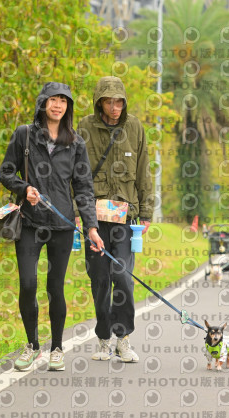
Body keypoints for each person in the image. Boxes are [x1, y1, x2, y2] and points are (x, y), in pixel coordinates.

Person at [0, 82, 104, 371]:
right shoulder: (24, 134)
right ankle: (32, 346)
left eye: (63, 101)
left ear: (68, 107)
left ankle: (57, 348)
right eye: (53, 99)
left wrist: (92, 228)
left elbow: (84, 188)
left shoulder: (76, 143)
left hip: (62, 225)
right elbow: (5, 172)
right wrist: (24, 188)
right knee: (27, 284)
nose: (58, 105)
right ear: (43, 102)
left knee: (55, 287)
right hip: (29, 223)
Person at [78, 76, 153, 363]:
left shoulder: (134, 127)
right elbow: (75, 172)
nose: (115, 107)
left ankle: (123, 338)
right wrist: (76, 211)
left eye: (119, 101)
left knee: (122, 275)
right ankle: (103, 338)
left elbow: (144, 169)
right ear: (99, 103)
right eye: (109, 101)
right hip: (93, 218)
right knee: (99, 278)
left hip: (125, 217)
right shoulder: (84, 127)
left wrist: (146, 212)